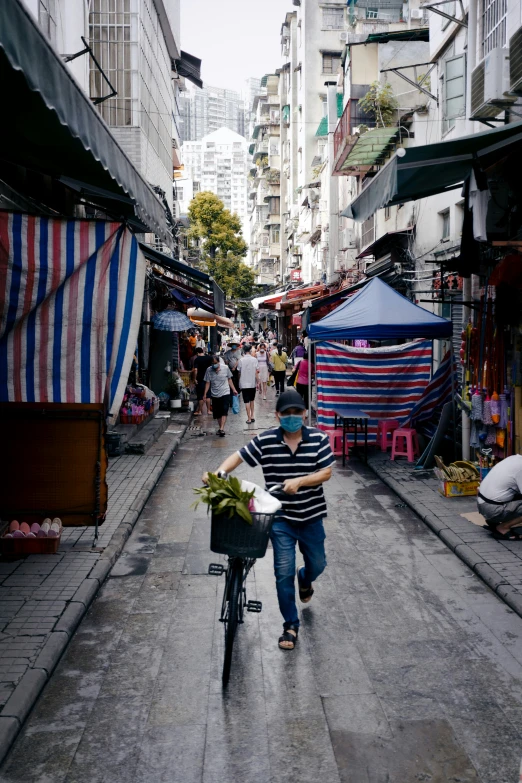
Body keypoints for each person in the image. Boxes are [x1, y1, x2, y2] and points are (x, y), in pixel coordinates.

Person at [204, 389, 334, 650]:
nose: (292, 417)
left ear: (304, 414)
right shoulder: (266, 440)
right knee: (282, 573)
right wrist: (218, 472)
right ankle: (290, 625)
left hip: (311, 517)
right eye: (286, 414)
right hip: (281, 519)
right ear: (277, 416)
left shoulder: (319, 438)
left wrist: (301, 481)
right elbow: (239, 456)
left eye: (297, 412)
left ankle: (305, 578)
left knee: (317, 564)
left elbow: (326, 472)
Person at [477, 455, 522, 539]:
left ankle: (493, 520)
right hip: (492, 510)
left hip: (482, 503)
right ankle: (503, 527)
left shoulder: (514, 458)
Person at [203, 354, 238, 437]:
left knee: (224, 410)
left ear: (218, 362)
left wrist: (234, 389)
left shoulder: (225, 368)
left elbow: (229, 379)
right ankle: (220, 428)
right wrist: (205, 394)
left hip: (225, 392)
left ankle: (222, 428)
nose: (214, 365)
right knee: (217, 413)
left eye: (215, 363)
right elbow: (208, 383)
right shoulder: (209, 370)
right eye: (212, 363)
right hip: (214, 394)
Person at [237, 344, 259, 424]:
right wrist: (258, 381)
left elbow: (239, 372)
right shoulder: (254, 359)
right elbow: (256, 372)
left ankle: (249, 418)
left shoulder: (241, 360)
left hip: (244, 383)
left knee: (246, 401)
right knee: (252, 400)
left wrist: (239, 381)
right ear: (250, 351)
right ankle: (252, 415)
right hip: (252, 383)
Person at [190, 347, 213, 416]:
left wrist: (194, 379)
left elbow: (195, 370)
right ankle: (208, 410)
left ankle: (199, 411)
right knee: (208, 395)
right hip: (208, 379)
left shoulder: (197, 359)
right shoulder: (209, 358)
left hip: (200, 379)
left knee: (200, 396)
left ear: (197, 353)